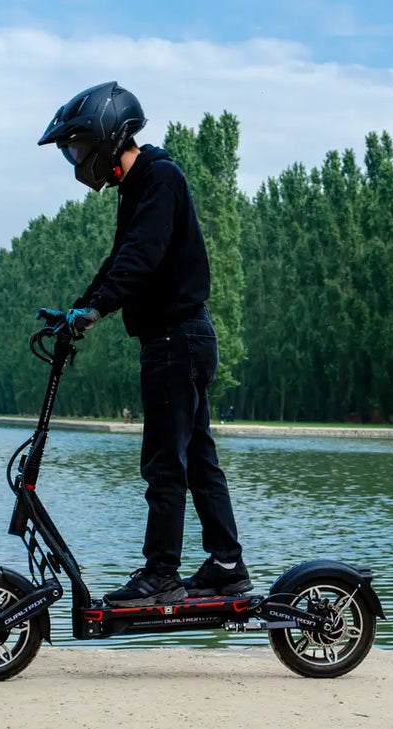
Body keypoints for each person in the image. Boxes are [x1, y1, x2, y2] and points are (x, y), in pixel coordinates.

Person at [39, 81, 250, 607]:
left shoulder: (159, 178)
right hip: (182, 339)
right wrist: (77, 308)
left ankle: (162, 574)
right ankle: (227, 565)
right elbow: (120, 259)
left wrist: (96, 311)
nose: (74, 160)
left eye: (76, 147)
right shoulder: (143, 185)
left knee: (164, 464)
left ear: (108, 137)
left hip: (175, 341)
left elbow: (143, 256)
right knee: (197, 460)